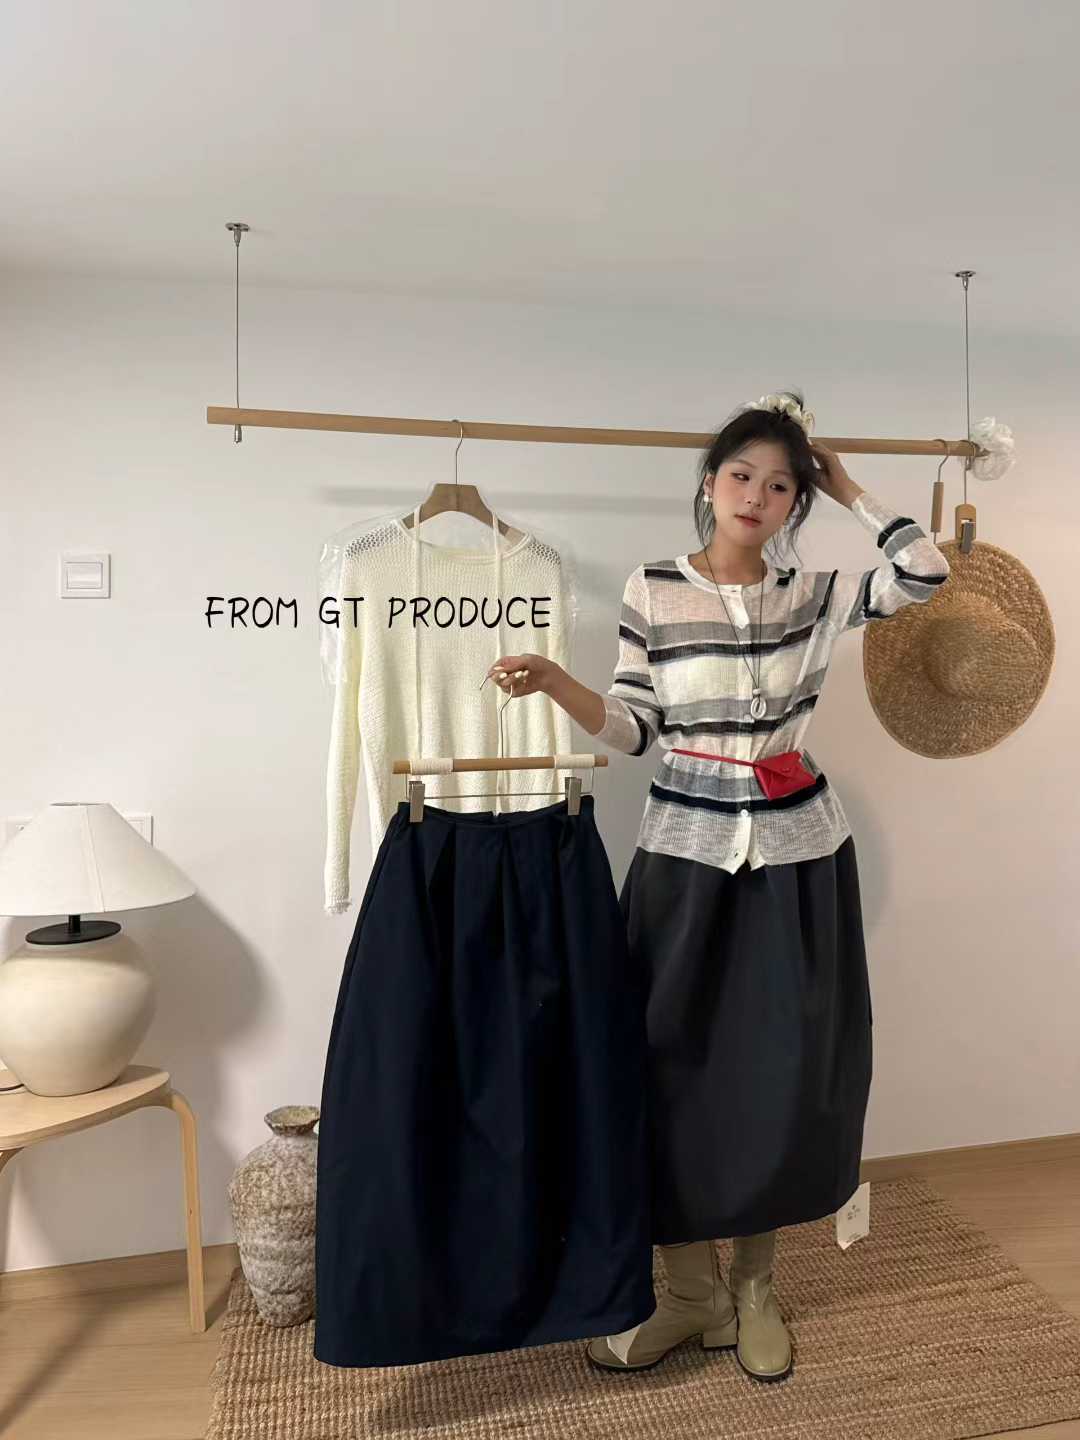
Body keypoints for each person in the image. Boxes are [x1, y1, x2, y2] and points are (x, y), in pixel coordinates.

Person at [484, 390, 951, 1383]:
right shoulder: (654, 589)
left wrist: (850, 487)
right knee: (665, 1067)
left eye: (781, 485)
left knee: (778, 1075)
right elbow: (634, 730)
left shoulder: (814, 595)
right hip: (683, 860)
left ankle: (755, 1291)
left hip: (797, 861)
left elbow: (925, 571)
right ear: (709, 482)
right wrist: (558, 683)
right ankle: (690, 1293)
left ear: (795, 502)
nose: (756, 496)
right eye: (742, 474)